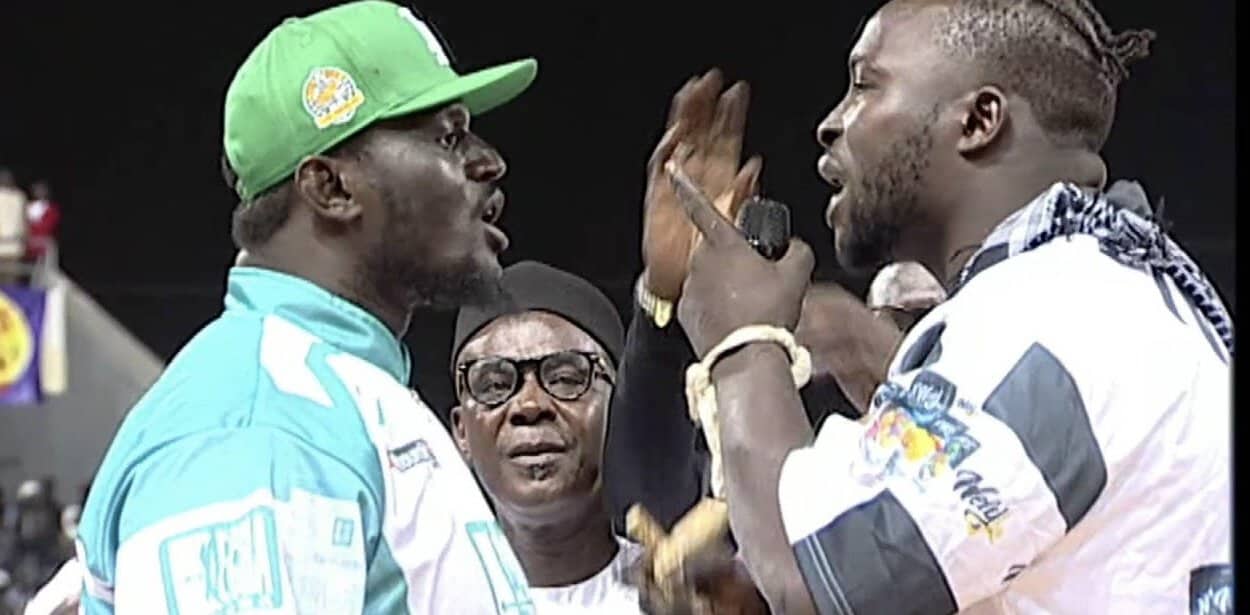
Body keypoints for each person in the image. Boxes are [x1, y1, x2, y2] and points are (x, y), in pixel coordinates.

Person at [664, 1, 1231, 614]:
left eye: (865, 86)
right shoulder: (1103, 294)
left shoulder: (1056, 317)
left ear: (979, 120)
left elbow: (817, 584)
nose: (830, 124)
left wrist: (744, 341)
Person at [75, 2, 540, 613]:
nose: (488, 161)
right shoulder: (260, 426)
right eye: (449, 137)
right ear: (332, 188)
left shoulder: (330, 392)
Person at [23, 182, 60, 265]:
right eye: (37, 190)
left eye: (42, 190)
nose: (39, 192)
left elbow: (49, 226)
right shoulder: (27, 207)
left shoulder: (51, 208)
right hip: (27, 247)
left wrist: (34, 226)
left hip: (43, 247)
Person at [0, 169, 27, 284]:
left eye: (8, 178)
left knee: (11, 281)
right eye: (3, 178)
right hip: (3, 243)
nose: (6, 180)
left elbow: (23, 219)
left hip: (14, 246)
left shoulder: (20, 197)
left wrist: (25, 236)